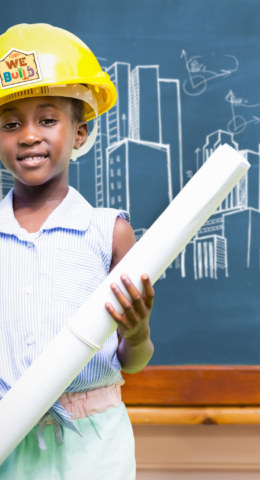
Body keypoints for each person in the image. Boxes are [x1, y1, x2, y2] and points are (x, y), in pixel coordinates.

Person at [0, 23, 154, 479]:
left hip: (94, 444)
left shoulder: (109, 233)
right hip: (10, 439)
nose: (29, 135)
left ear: (81, 133)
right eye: (11, 123)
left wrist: (138, 331)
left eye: (47, 120)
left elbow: (136, 360)